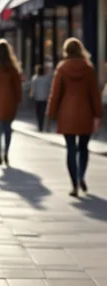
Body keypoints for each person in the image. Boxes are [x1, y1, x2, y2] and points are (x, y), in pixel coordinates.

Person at [47, 38, 103, 197]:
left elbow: (55, 94)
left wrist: (50, 114)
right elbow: (94, 94)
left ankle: (74, 184)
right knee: (83, 148)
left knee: (71, 148)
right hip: (86, 112)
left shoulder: (62, 68)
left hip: (67, 113)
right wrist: (98, 114)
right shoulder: (88, 69)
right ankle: (81, 176)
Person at [30, 64, 52, 132]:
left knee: (38, 112)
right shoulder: (47, 79)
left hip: (37, 98)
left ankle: (40, 126)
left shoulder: (35, 78)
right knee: (43, 112)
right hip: (45, 97)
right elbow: (49, 88)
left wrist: (31, 95)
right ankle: (43, 125)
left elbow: (33, 88)